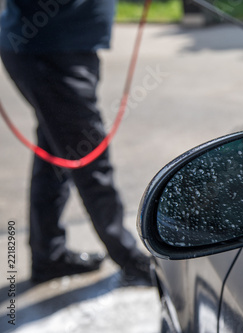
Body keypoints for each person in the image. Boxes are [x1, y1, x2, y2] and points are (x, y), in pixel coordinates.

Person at [0, 0, 151, 284]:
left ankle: (49, 255)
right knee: (91, 158)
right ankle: (130, 258)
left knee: (54, 157)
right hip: (49, 53)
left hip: (65, 48)